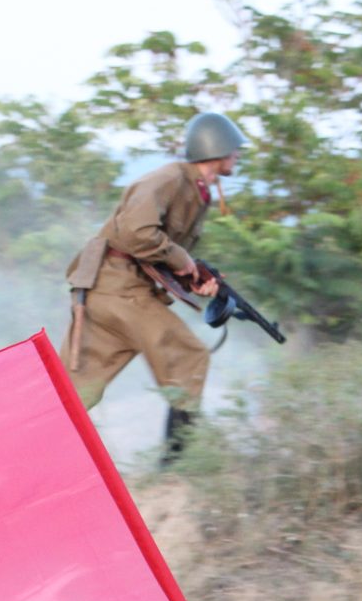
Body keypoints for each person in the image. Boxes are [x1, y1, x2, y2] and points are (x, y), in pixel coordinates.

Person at [64, 111, 246, 461]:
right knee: (188, 358)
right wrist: (182, 261)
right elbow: (136, 233)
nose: (237, 155)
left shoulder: (197, 190)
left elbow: (158, 251)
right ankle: (177, 464)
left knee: (73, 392)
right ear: (217, 149)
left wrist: (194, 280)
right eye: (234, 149)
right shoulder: (170, 178)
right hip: (118, 287)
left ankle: (17, 458)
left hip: (110, 290)